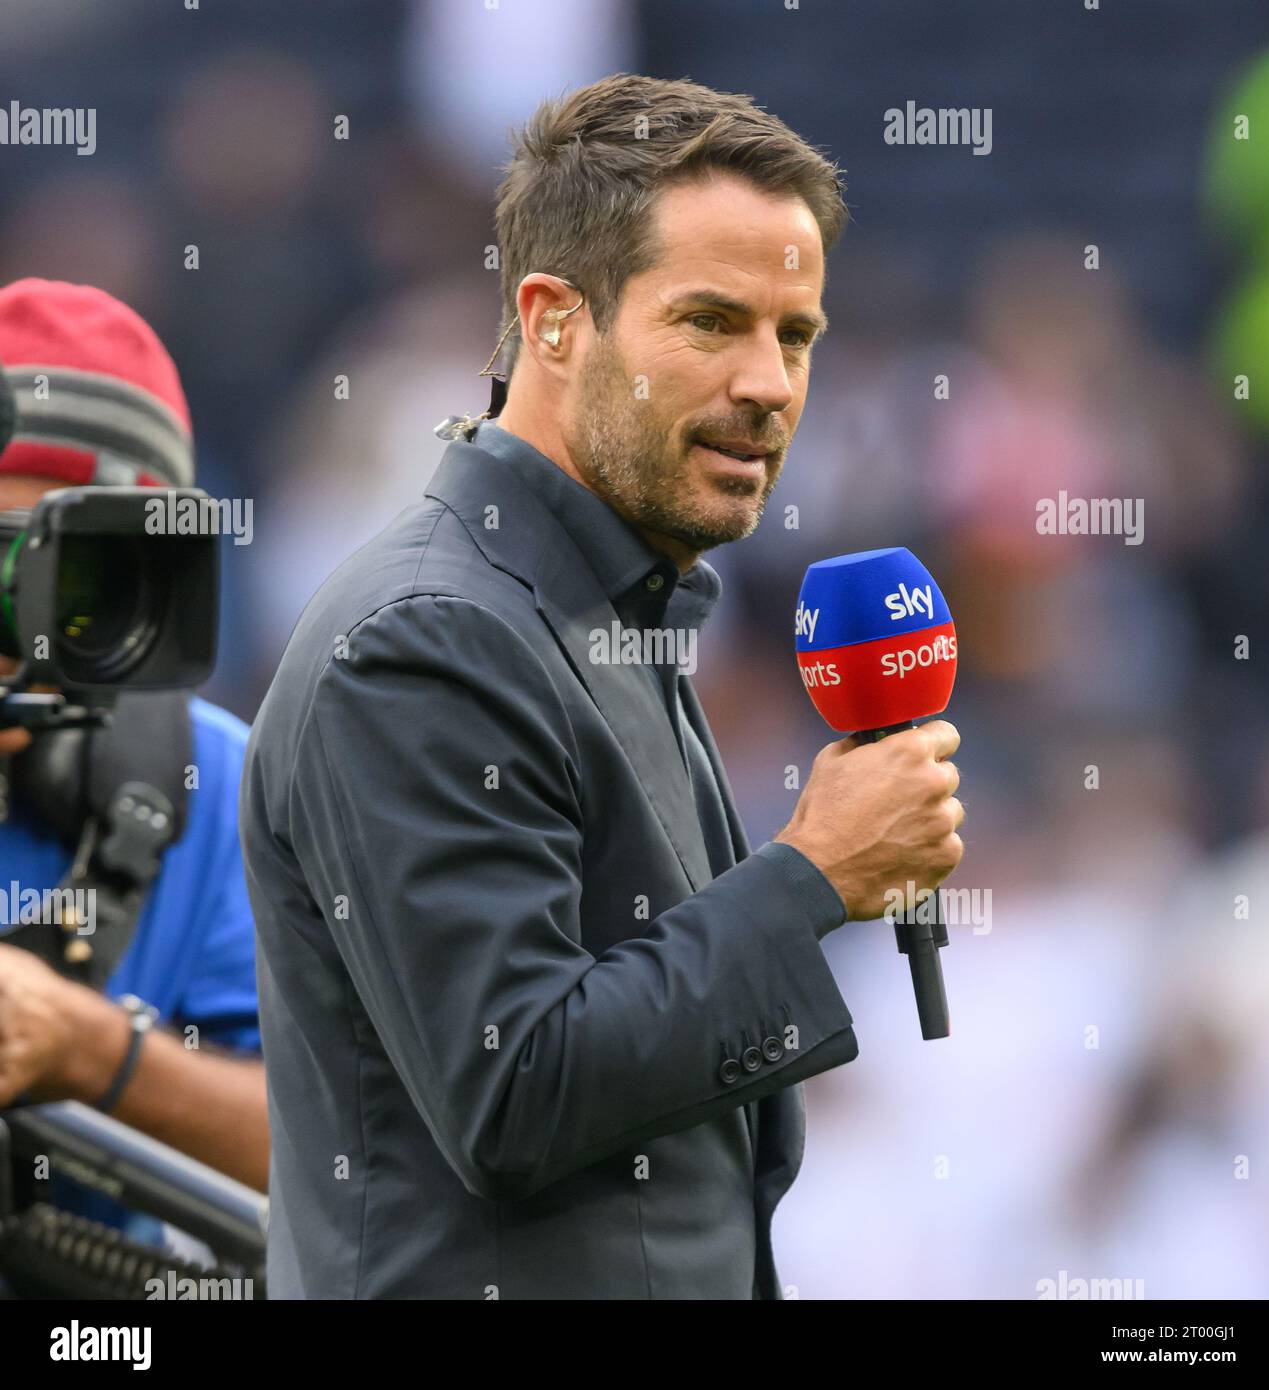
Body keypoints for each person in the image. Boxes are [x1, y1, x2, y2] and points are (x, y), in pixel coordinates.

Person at [241, 73, 965, 1299]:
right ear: (557, 321)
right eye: (708, 322)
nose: (768, 384)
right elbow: (514, 1087)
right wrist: (810, 879)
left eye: (793, 337)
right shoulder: (428, 635)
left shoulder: (608, 608)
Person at [0, 279, 268, 1201]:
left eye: (71, 581)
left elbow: (334, 1155)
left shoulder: (220, 781)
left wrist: (89, 1051)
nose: (19, 625)